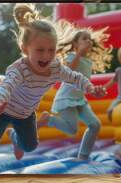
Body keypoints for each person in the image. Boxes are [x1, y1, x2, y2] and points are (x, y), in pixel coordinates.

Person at [0, 3, 105, 174]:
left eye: (51, 50)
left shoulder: (55, 68)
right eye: (40, 50)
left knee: (30, 146)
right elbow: (7, 85)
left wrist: (91, 88)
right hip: (1, 110)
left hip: (25, 114)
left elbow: (75, 77)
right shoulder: (20, 69)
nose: (46, 56)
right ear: (24, 49)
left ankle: (14, 135)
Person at [37, 21, 112, 160]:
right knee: (72, 130)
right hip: (66, 99)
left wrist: (96, 90)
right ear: (75, 44)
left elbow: (84, 83)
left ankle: (83, 156)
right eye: (84, 38)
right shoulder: (72, 57)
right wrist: (79, 53)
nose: (88, 41)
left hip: (80, 100)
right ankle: (49, 120)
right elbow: (68, 73)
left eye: (89, 39)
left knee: (95, 125)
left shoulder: (88, 63)